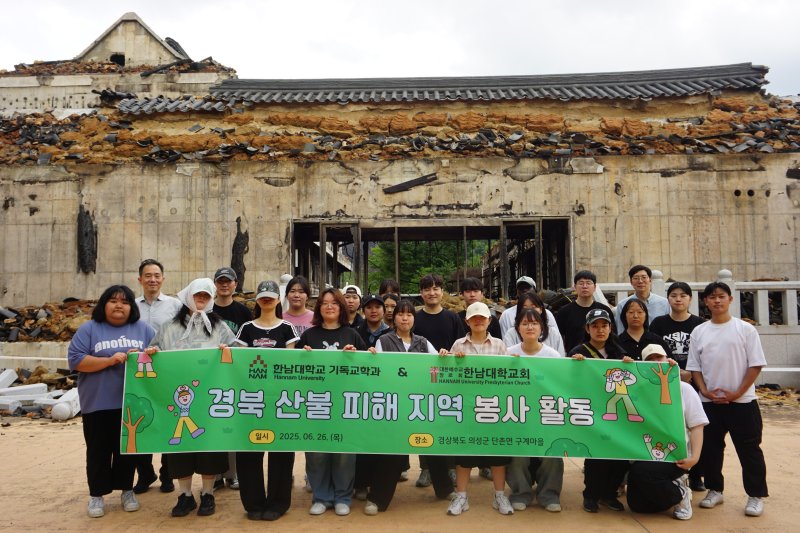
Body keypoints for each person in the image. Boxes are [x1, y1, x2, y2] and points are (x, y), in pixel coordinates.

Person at [148, 278, 237, 518]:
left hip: (209, 399)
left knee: (209, 446)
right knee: (180, 446)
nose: (201, 299)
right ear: (188, 295)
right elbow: (153, 351)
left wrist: (228, 351)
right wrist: (152, 353)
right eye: (197, 295)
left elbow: (237, 351)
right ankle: (185, 495)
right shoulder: (168, 327)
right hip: (177, 396)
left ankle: (207, 493)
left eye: (206, 296)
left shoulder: (219, 327)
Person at [68, 284, 155, 518]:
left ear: (132, 307)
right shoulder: (89, 329)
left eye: (125, 302)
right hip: (97, 403)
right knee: (98, 451)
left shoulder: (143, 329)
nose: (119, 306)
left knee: (128, 451)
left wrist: (148, 354)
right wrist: (109, 361)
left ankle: (127, 490)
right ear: (104, 304)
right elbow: (76, 361)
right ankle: (96, 495)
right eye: (114, 301)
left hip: (131, 404)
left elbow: (157, 357)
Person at [687, 281, 768, 517]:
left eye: (721, 296)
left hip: (742, 402)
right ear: (706, 302)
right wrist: (705, 391)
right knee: (711, 449)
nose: (717, 301)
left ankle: (755, 495)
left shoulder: (745, 329)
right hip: (710, 403)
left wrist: (738, 392)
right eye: (712, 297)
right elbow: (695, 367)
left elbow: (755, 364)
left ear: (730, 299)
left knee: (749, 449)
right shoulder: (699, 332)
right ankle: (715, 489)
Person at [296, 288, 367, 516]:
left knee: (344, 453)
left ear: (341, 307)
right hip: (316, 403)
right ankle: (321, 497)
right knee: (317, 452)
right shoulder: (309, 336)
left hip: (344, 404)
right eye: (325, 303)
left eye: (334, 303)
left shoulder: (352, 335)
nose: (329, 307)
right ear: (318, 308)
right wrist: (303, 356)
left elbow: (367, 369)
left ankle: (342, 497)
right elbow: (295, 371)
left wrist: (355, 356)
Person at [362, 299, 437, 515]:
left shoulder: (423, 342)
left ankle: (445, 489)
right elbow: (377, 373)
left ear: (414, 319)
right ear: (393, 318)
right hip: (393, 407)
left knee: (435, 446)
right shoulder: (383, 341)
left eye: (409, 314)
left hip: (420, 406)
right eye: (401, 314)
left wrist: (444, 356)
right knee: (392, 451)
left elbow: (437, 370)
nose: (405, 318)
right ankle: (377, 499)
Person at [234, 280, 299, 521]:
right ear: (257, 300)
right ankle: (253, 503)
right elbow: (239, 362)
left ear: (278, 299)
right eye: (263, 296)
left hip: (280, 399)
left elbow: (291, 363)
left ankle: (278, 503)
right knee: (249, 450)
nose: (267, 299)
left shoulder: (288, 328)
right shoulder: (246, 329)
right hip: (251, 399)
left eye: (271, 296)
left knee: (281, 451)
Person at [443, 302, 513, 516]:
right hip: (466, 409)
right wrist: (450, 360)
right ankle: (461, 497)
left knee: (497, 455)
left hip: (493, 408)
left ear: (489, 321)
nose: (479, 321)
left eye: (482, 317)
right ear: (467, 321)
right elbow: (448, 376)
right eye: (474, 318)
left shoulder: (499, 345)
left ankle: (499, 495)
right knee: (464, 455)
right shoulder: (458, 345)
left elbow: (508, 376)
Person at [627, 344, 708, 521]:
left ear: (667, 359)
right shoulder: (638, 391)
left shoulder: (684, 389)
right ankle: (668, 486)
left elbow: (697, 425)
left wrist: (694, 458)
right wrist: (624, 367)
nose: (656, 362)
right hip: (645, 453)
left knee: (641, 472)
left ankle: (680, 494)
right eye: (650, 360)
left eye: (659, 358)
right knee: (637, 505)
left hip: (675, 456)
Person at [568, 309, 632, 513]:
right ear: (587, 329)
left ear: (610, 328)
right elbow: (568, 379)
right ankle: (591, 495)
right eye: (595, 326)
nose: (600, 330)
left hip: (615, 413)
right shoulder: (578, 351)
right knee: (596, 455)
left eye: (604, 325)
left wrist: (630, 366)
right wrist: (574, 365)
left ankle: (609, 494)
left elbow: (631, 379)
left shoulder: (618, 352)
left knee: (619, 456)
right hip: (592, 412)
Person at [411, 273, 466, 493]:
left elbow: (460, 345)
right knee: (423, 421)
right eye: (427, 289)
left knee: (448, 422)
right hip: (422, 380)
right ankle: (426, 468)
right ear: (421, 293)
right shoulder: (415, 318)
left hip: (448, 379)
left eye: (436, 288)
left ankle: (450, 467)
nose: (432, 293)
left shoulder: (452, 317)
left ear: (442, 292)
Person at [506, 308, 564, 513]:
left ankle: (549, 494)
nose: (529, 327)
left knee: (552, 452)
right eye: (525, 323)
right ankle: (520, 493)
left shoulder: (553, 355)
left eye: (534, 323)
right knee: (517, 453)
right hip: (516, 414)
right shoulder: (508, 353)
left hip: (545, 414)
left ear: (542, 328)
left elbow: (561, 385)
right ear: (518, 328)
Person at [650, 281, 706, 490]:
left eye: (683, 295)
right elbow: (655, 350)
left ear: (690, 299)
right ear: (668, 299)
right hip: (665, 380)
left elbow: (703, 353)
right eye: (673, 295)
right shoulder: (659, 323)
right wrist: (674, 372)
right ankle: (672, 470)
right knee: (672, 427)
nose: (678, 299)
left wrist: (691, 373)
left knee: (695, 427)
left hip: (694, 381)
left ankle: (696, 475)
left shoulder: (699, 324)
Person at [133, 259, 182, 494]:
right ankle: (145, 473)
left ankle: (167, 474)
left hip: (166, 371)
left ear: (163, 278)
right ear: (140, 279)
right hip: (139, 373)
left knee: (167, 419)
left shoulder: (175, 305)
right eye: (147, 275)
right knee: (141, 421)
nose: (152, 279)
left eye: (156, 275)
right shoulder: (132, 306)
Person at [212, 267, 252, 491]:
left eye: (228, 281)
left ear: (235, 284)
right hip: (211, 375)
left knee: (234, 423)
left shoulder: (243, 312)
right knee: (215, 423)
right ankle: (216, 474)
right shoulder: (208, 310)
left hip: (235, 376)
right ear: (215, 284)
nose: (224, 285)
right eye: (221, 281)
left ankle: (233, 473)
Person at [555, 270, 614, 352]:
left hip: (600, 356)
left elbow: (612, 336)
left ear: (594, 287)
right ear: (575, 287)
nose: (585, 286)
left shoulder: (604, 310)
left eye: (588, 283)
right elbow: (558, 338)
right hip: (574, 356)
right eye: (581, 283)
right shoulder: (564, 312)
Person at [502, 291, 565, 356]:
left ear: (541, 309)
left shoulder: (553, 333)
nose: (529, 311)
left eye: (533, 307)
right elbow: (506, 358)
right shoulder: (511, 334)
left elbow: (561, 358)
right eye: (524, 308)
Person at [614, 265, 670, 333]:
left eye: (644, 277)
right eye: (636, 278)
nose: (640, 281)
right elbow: (620, 330)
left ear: (650, 280)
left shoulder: (664, 303)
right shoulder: (623, 305)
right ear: (631, 282)